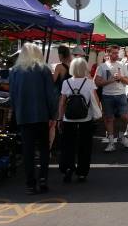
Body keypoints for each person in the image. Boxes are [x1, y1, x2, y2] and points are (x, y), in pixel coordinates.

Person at [8, 43, 58, 194]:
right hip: (42, 115)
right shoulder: (43, 69)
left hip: (23, 116)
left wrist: (15, 113)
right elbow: (51, 94)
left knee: (27, 150)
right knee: (44, 148)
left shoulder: (15, 71)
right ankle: (43, 179)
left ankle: (30, 183)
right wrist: (53, 114)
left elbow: (13, 95)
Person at [58, 56, 99, 183]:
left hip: (68, 119)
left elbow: (62, 102)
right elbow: (96, 100)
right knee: (85, 146)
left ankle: (68, 167)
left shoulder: (66, 83)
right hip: (85, 119)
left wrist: (60, 118)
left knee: (68, 145)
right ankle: (82, 172)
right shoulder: (89, 83)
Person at [94, 45, 128, 152]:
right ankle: (111, 142)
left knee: (125, 117)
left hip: (121, 94)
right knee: (109, 119)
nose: (116, 55)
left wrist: (120, 78)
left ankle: (121, 136)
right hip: (107, 96)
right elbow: (96, 82)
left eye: (117, 53)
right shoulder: (102, 66)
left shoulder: (122, 65)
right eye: (114, 53)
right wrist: (110, 81)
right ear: (108, 53)